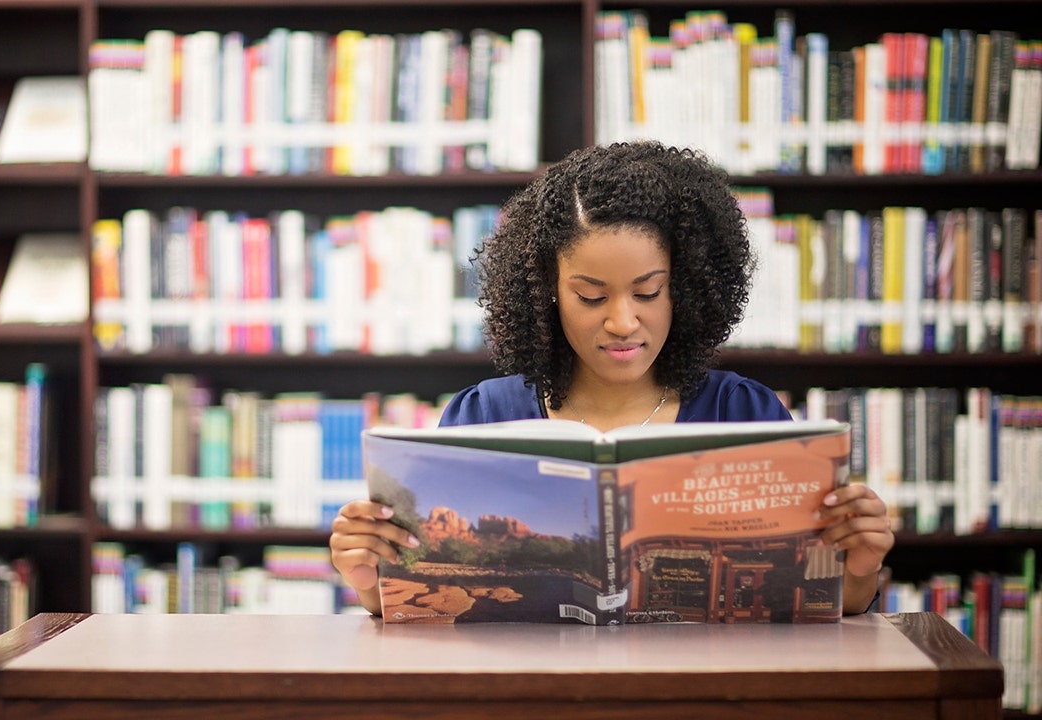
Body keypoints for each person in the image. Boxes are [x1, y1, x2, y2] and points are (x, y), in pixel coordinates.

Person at [331, 140, 894, 618]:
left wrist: (860, 571)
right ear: (547, 291)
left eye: (648, 292)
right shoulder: (481, 416)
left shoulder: (745, 413)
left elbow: (827, 604)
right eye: (591, 295)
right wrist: (367, 578)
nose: (623, 321)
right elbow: (417, 603)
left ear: (688, 286)